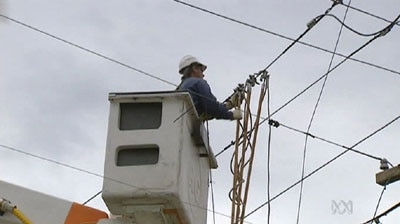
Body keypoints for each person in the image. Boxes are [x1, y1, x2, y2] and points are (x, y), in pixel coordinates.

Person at [177, 55, 242, 120]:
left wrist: (229, 104)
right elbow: (211, 108)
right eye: (201, 70)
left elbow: (206, 110)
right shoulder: (198, 82)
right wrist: (231, 115)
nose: (203, 75)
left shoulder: (180, 88)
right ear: (195, 68)